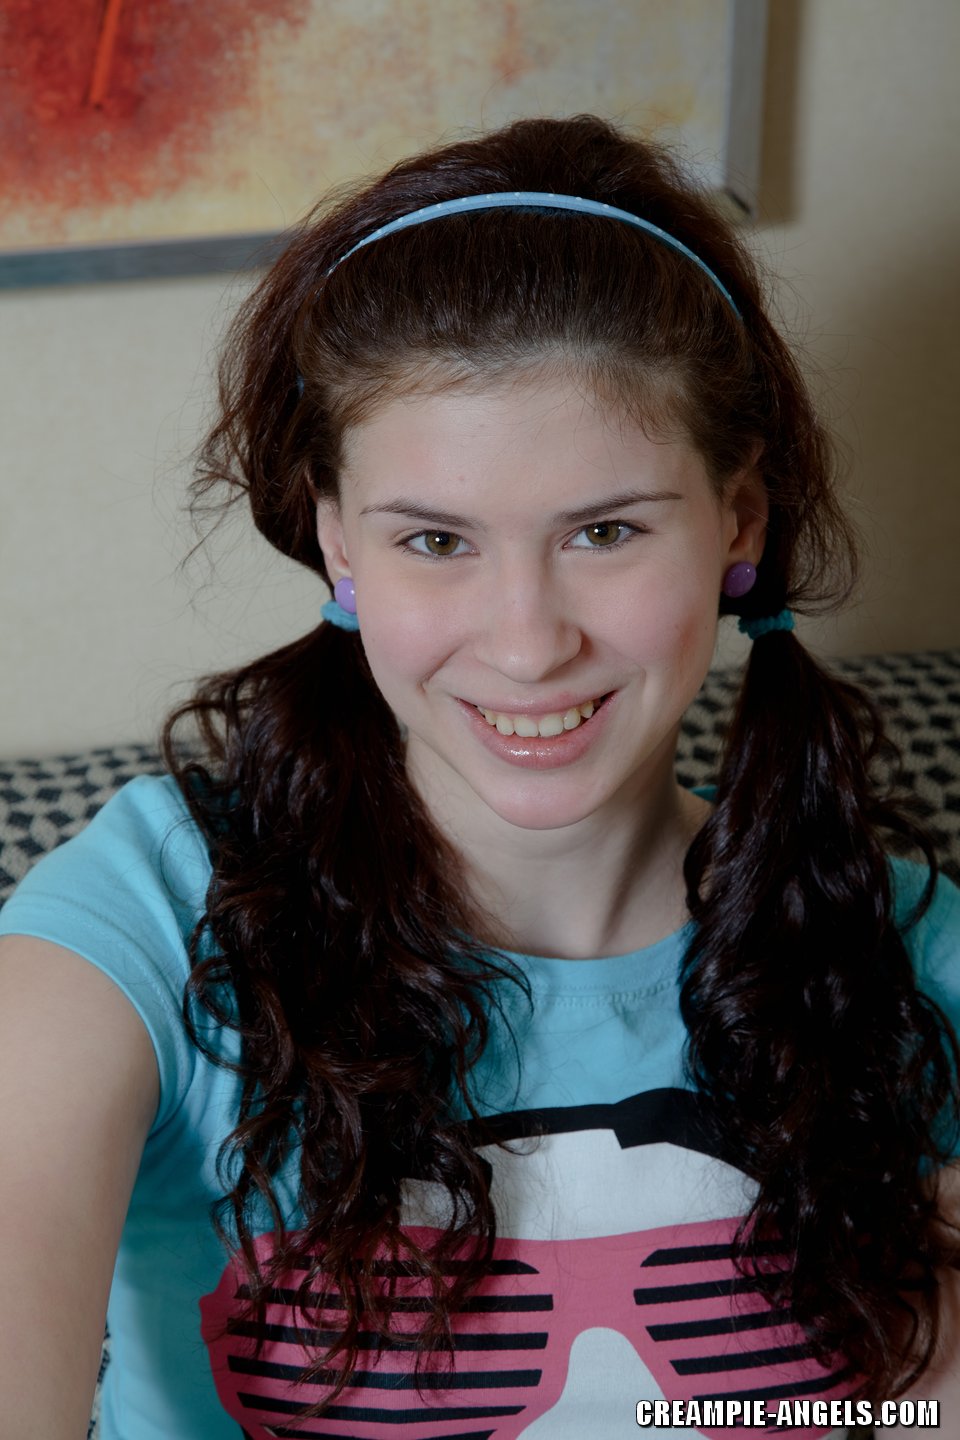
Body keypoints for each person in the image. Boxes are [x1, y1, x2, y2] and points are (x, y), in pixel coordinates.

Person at [0, 115, 958, 1440]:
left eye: (605, 531)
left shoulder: (912, 958)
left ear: (738, 519)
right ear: (340, 544)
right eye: (437, 540)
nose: (526, 643)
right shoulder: (147, 917)